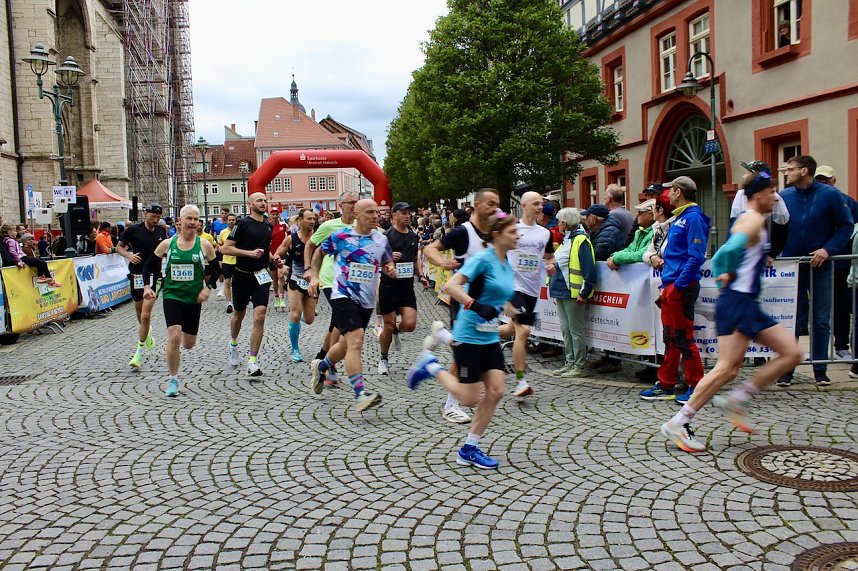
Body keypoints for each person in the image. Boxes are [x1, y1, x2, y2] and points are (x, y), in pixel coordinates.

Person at [660, 172, 803, 453]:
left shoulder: (752, 220)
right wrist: (723, 274)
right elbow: (725, 253)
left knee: (790, 353)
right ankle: (679, 421)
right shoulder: (752, 220)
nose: (776, 198)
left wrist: (728, 274)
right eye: (772, 192)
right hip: (738, 301)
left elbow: (730, 253)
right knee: (726, 368)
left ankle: (736, 399)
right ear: (758, 195)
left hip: (745, 302)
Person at [407, 213, 519, 470]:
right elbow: (451, 287)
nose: (517, 236)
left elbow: (504, 297)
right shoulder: (482, 259)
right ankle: (430, 366)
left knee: (496, 391)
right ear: (497, 235)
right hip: (469, 335)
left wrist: (518, 314)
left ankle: (469, 448)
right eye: (513, 232)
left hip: (489, 336)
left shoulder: (505, 263)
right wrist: (476, 305)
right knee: (469, 399)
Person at [422, 188, 502, 424]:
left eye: (496, 204)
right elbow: (429, 249)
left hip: (488, 304)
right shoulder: (463, 232)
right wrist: (442, 263)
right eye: (490, 203)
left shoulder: (495, 232)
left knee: (473, 347)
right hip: (465, 303)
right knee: (465, 352)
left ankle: (442, 336)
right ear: (476, 205)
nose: (495, 208)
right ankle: (450, 405)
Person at [308, 199, 395, 411]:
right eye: (369, 212)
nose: (375, 216)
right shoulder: (340, 236)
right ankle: (360, 394)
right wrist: (314, 276)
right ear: (356, 214)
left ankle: (321, 366)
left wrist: (389, 268)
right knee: (356, 340)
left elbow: (386, 260)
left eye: (376, 212)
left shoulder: (381, 239)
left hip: (366, 299)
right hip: (342, 294)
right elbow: (319, 252)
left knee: (346, 344)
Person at [777, 155, 854, 387]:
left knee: (821, 320)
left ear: (804, 171)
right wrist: (774, 253)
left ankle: (820, 369)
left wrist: (827, 250)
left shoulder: (830, 195)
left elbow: (846, 226)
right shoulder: (784, 196)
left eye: (790, 169)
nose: (786, 172)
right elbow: (775, 227)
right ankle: (786, 371)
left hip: (821, 265)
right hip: (791, 266)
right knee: (792, 319)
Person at [640, 176, 709, 405]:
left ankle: (697, 386)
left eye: (670, 190)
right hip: (672, 285)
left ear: (678, 192)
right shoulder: (681, 217)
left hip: (681, 286)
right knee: (671, 337)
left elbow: (696, 257)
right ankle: (666, 384)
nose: (667, 194)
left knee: (683, 338)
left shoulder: (693, 218)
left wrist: (678, 286)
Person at [142, 205, 216, 397]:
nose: (193, 222)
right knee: (174, 336)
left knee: (189, 344)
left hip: (193, 298)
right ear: (180, 221)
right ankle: (173, 380)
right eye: (189, 218)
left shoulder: (204, 245)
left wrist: (207, 288)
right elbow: (148, 266)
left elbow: (217, 270)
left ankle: (183, 338)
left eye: (196, 219)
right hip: (172, 296)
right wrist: (147, 286)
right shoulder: (168, 244)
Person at [498, 191, 555, 396]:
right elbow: (498, 254)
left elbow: (549, 257)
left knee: (511, 329)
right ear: (523, 206)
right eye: (535, 203)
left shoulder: (545, 233)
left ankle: (477, 336)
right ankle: (521, 381)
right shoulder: (512, 229)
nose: (540, 207)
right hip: (513, 287)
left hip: (532, 289)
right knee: (523, 331)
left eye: (541, 204)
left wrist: (551, 265)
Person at [303, 191, 360, 388]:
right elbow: (310, 246)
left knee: (337, 323)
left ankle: (322, 359)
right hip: (330, 280)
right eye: (349, 202)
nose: (353, 206)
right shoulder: (329, 226)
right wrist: (310, 271)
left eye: (356, 202)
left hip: (353, 282)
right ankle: (330, 366)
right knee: (341, 323)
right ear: (340, 205)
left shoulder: (362, 226)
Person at [221, 193, 282, 377]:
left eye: (265, 201)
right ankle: (233, 344)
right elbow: (226, 248)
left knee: (260, 316)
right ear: (250, 204)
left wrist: (275, 259)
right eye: (259, 201)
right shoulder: (242, 224)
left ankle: (252, 361)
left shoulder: (268, 225)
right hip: (242, 275)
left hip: (261, 277)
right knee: (238, 315)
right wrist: (249, 253)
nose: (263, 203)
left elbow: (265, 250)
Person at [377, 202, 429, 374]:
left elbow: (415, 259)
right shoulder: (386, 237)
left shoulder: (413, 236)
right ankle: (383, 358)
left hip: (407, 286)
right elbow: (376, 261)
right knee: (388, 325)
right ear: (394, 215)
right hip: (388, 286)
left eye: (409, 213)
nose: (407, 216)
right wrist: (389, 257)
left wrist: (421, 275)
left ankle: (396, 331)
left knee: (410, 324)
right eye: (403, 213)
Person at [813, 166, 858, 361]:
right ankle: (823, 351)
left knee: (843, 305)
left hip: (843, 263)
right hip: (817, 261)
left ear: (834, 181)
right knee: (820, 310)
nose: (823, 183)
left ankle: (842, 346)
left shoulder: (848, 202)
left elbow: (853, 229)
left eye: (826, 179)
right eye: (819, 179)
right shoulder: (813, 200)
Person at [116, 204, 167, 369]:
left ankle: (138, 352)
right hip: (136, 275)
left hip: (154, 276)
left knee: (145, 315)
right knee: (139, 313)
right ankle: (147, 331)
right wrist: (128, 255)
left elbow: (165, 250)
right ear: (145, 214)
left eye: (158, 217)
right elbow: (119, 247)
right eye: (153, 216)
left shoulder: (161, 231)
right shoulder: (133, 230)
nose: (156, 220)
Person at [548, 208, 595, 378]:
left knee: (575, 330)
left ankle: (579, 365)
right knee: (566, 330)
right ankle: (570, 362)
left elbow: (589, 269)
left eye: (559, 222)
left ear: (564, 223)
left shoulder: (580, 240)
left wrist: (584, 292)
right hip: (562, 291)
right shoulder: (567, 240)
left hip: (572, 292)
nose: (557, 225)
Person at [275, 208, 319, 362]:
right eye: (309, 219)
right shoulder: (291, 239)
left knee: (309, 319)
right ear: (300, 221)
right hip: (295, 279)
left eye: (314, 219)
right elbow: (277, 255)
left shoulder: (318, 238)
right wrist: (281, 265)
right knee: (295, 314)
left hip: (312, 282)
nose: (312, 221)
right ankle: (295, 350)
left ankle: (300, 317)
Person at [217, 213, 237, 313]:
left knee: (237, 283)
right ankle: (229, 303)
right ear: (227, 221)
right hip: (227, 261)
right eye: (230, 220)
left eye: (233, 220)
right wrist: (220, 248)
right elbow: (219, 244)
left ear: (235, 221)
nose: (231, 221)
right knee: (227, 282)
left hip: (238, 260)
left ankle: (237, 301)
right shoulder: (223, 232)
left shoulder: (240, 232)